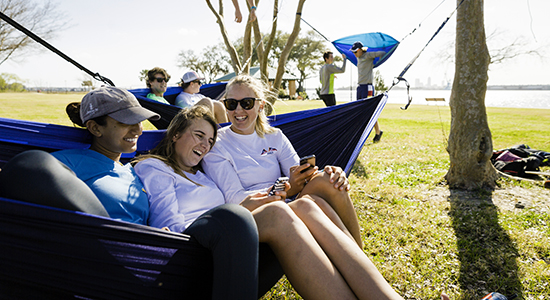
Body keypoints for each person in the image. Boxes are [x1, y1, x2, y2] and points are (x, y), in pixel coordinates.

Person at [0, 86, 261, 299]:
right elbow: (25, 171)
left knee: (235, 219)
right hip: (99, 266)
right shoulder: (71, 162)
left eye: (140, 121)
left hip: (149, 264)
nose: (138, 129)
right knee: (32, 161)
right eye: (126, 122)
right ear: (95, 128)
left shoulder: (136, 171)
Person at [133, 105, 407, 299]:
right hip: (196, 248)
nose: (206, 145)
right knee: (278, 212)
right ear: (175, 135)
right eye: (198, 136)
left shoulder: (201, 171)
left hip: (230, 233)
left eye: (210, 139)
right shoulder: (155, 168)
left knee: (308, 205)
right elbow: (168, 225)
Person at [202, 74, 364, 248]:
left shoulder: (274, 136)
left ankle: (359, 253)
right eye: (231, 104)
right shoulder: (217, 144)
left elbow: (299, 175)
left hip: (285, 201)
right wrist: (286, 189)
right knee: (308, 206)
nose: (238, 110)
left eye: (246, 103)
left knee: (329, 181)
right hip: (257, 214)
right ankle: (357, 262)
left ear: (261, 105)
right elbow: (235, 200)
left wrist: (332, 172)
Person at [351, 41, 386, 142]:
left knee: (369, 111)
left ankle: (377, 132)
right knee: (360, 110)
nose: (354, 54)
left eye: (355, 51)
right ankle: (368, 132)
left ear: (360, 50)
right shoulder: (358, 58)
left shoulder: (368, 55)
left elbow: (382, 54)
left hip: (368, 87)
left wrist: (376, 63)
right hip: (360, 87)